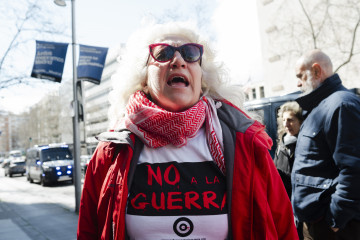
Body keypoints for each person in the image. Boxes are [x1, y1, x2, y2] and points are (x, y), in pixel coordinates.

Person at [77, 22, 298, 240]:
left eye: (190, 53)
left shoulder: (246, 144)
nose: (178, 60)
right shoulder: (110, 153)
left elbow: (283, 227)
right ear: (143, 79)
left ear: (202, 78)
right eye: (163, 53)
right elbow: (89, 232)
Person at [292, 49, 360, 240]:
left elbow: (354, 169)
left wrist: (335, 220)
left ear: (316, 71)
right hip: (317, 225)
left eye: (300, 76)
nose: (297, 83)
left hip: (333, 229)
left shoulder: (341, 104)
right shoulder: (320, 107)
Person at [274, 101, 303, 198]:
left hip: (299, 198)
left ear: (300, 121)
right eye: (283, 120)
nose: (286, 124)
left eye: (290, 120)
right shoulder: (281, 143)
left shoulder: (306, 143)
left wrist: (279, 174)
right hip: (283, 198)